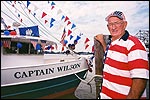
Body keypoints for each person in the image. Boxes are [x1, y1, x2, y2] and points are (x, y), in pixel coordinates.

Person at [95, 11, 149, 99]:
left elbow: (140, 80)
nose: (113, 27)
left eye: (117, 23)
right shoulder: (112, 43)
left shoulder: (134, 45)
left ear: (125, 24)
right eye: (110, 24)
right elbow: (110, 56)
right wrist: (102, 42)